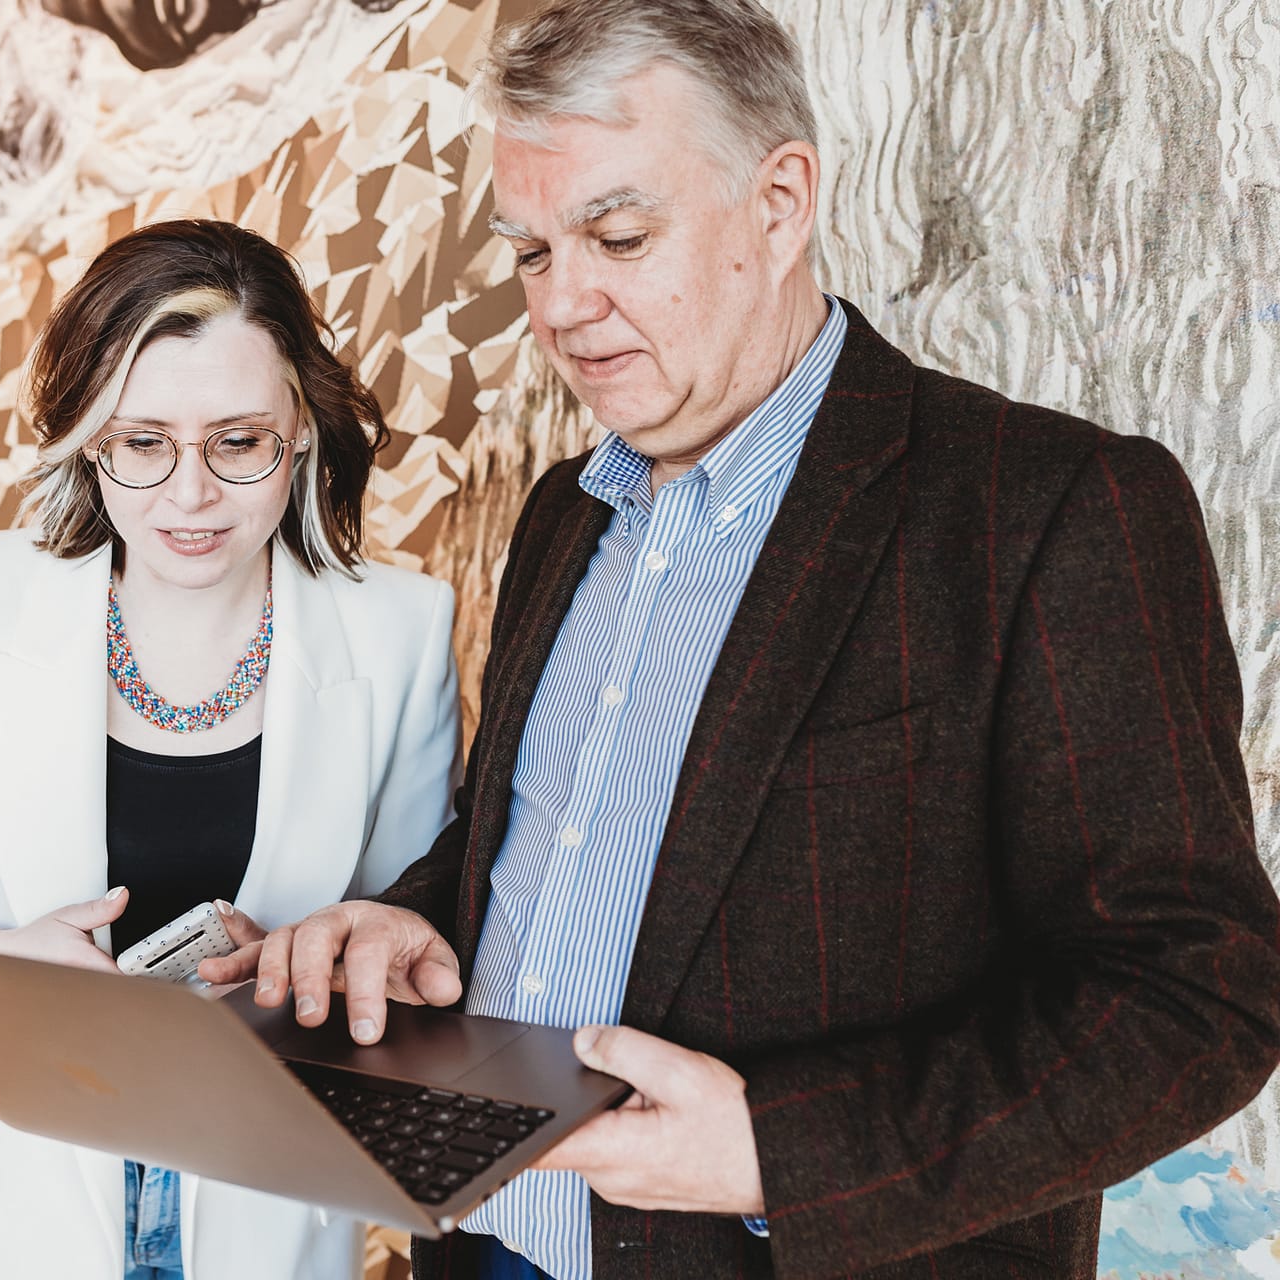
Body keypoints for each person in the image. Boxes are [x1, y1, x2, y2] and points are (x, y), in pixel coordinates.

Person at [201, 1, 1280, 1276]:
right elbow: (552, 835)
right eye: (533, 251)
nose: (564, 304)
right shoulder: (564, 511)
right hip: (485, 1246)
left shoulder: (1048, 508)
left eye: (618, 236)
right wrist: (414, 917)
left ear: (779, 205)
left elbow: (1199, 993)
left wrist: (781, 1152)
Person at [0, 218, 462, 1280]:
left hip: (264, 1210)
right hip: (6, 1205)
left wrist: (310, 969)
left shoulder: (403, 633)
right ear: (87, 439)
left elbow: (409, 936)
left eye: (238, 443)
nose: (189, 495)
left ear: (300, 431)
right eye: (143, 442)